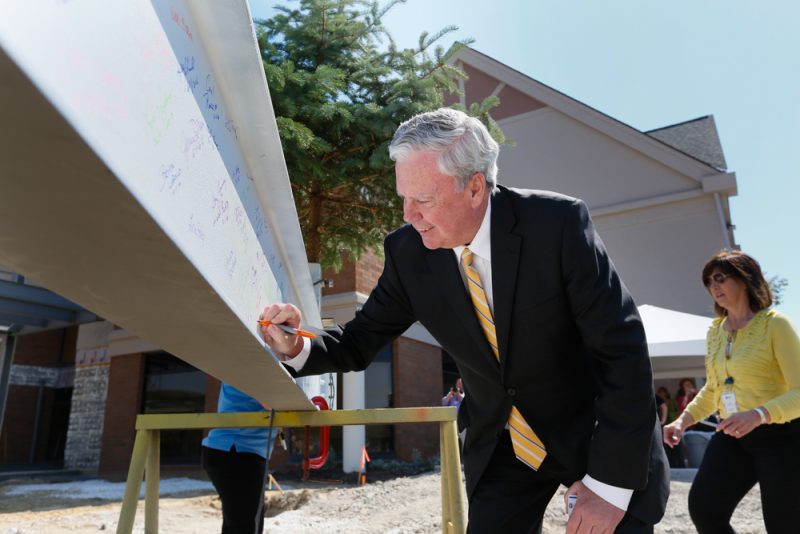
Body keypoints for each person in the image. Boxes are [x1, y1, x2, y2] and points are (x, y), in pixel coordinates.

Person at [260, 108, 668, 533]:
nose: (408, 215)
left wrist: (609, 489)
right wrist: (296, 344)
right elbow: (359, 340)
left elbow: (621, 352)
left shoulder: (557, 225)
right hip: (504, 446)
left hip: (598, 434)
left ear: (474, 188)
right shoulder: (409, 253)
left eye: (423, 200)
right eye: (403, 198)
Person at [663, 250, 800, 533]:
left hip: (781, 438)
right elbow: (714, 388)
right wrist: (682, 421)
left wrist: (759, 414)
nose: (713, 286)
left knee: (783, 525)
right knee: (705, 509)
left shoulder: (775, 324)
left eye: (720, 278)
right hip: (731, 436)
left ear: (745, 279)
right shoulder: (716, 331)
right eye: (708, 281)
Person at [201, 383, 280, 534]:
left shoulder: (244, 370)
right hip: (238, 451)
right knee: (245, 526)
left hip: (236, 451)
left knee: (239, 525)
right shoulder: (252, 369)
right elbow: (271, 403)